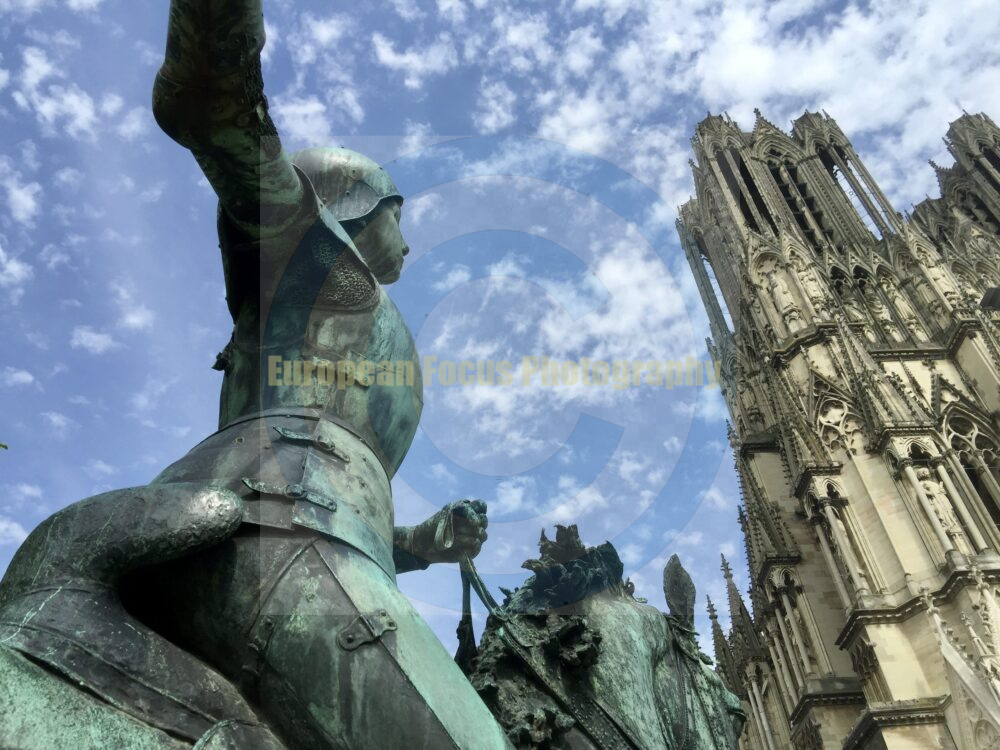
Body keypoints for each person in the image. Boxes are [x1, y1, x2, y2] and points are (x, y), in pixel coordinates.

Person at [123, 1, 513, 747]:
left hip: (304, 533)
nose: (407, 239)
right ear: (354, 205)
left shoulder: (359, 313)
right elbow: (211, 107)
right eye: (397, 212)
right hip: (273, 533)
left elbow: (340, 513)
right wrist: (221, 67)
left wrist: (421, 543)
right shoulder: (316, 256)